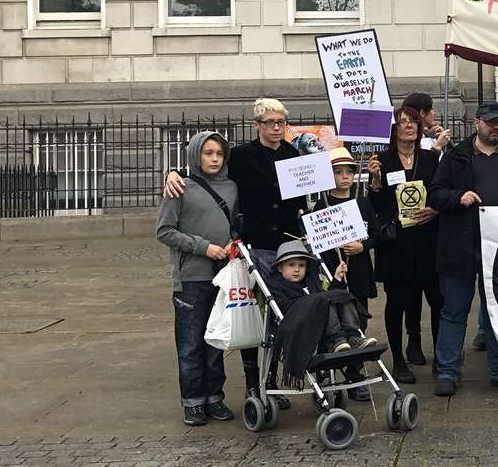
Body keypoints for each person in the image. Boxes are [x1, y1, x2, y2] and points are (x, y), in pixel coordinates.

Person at [163, 97, 303, 399]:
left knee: (281, 314)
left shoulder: (295, 154)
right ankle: (254, 382)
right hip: (252, 248)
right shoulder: (241, 156)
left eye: (281, 122)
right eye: (270, 122)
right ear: (258, 125)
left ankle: (274, 377)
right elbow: (204, 174)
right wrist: (172, 174)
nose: (276, 127)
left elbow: (304, 198)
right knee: (252, 316)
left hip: (286, 246)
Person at [428, 102, 498, 396]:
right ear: (477, 123)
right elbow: (434, 194)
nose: (496, 127)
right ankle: (448, 371)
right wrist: (458, 197)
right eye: (490, 122)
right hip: (460, 247)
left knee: (497, 312)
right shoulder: (456, 156)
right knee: (454, 311)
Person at [155, 131, 239, 426]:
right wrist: (203, 247)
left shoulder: (231, 188)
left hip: (222, 278)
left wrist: (232, 244)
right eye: (208, 153)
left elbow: (235, 225)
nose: (214, 159)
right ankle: (193, 401)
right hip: (191, 278)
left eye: (219, 153)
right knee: (190, 344)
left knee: (215, 342)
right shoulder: (180, 187)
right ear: (196, 155)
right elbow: (165, 231)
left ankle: (214, 397)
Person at [306, 145, 390, 401]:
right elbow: (314, 239)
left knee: (358, 322)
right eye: (338, 172)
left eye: (348, 172)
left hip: (359, 270)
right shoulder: (322, 204)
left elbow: (377, 235)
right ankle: (327, 372)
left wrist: (361, 245)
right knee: (330, 321)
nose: (344, 177)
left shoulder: (361, 202)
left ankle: (354, 374)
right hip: (333, 271)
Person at [371, 107, 442, 384]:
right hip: (397, 243)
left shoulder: (430, 159)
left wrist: (435, 209)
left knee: (437, 300)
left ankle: (441, 356)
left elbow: (440, 190)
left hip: (427, 239)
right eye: (403, 122)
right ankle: (399, 361)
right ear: (394, 129)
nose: (409, 126)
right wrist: (375, 182)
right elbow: (376, 207)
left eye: (413, 121)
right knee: (397, 302)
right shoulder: (383, 160)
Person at [265, 241, 375, 388]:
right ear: (280, 268)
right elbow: (283, 308)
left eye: (301, 265)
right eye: (291, 265)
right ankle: (336, 340)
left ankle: (353, 336)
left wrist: (336, 278)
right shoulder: (276, 285)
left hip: (324, 321)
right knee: (322, 301)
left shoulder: (311, 281)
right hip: (299, 324)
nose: (297, 269)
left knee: (341, 295)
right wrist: (312, 302)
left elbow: (329, 296)